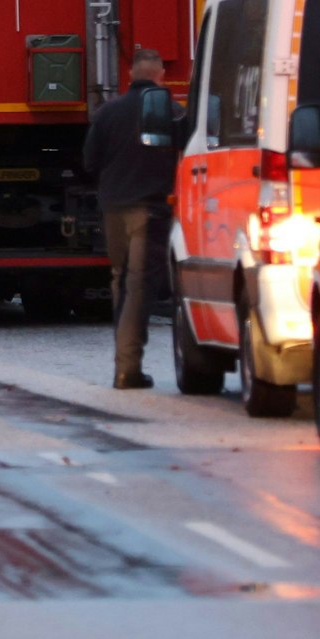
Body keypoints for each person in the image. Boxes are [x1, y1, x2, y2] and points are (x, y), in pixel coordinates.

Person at [81, 49, 179, 390]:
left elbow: (89, 162)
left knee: (120, 282)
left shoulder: (108, 113)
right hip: (150, 210)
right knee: (138, 288)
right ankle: (128, 369)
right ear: (161, 74)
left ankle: (125, 364)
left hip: (114, 210)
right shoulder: (173, 113)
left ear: (131, 76)